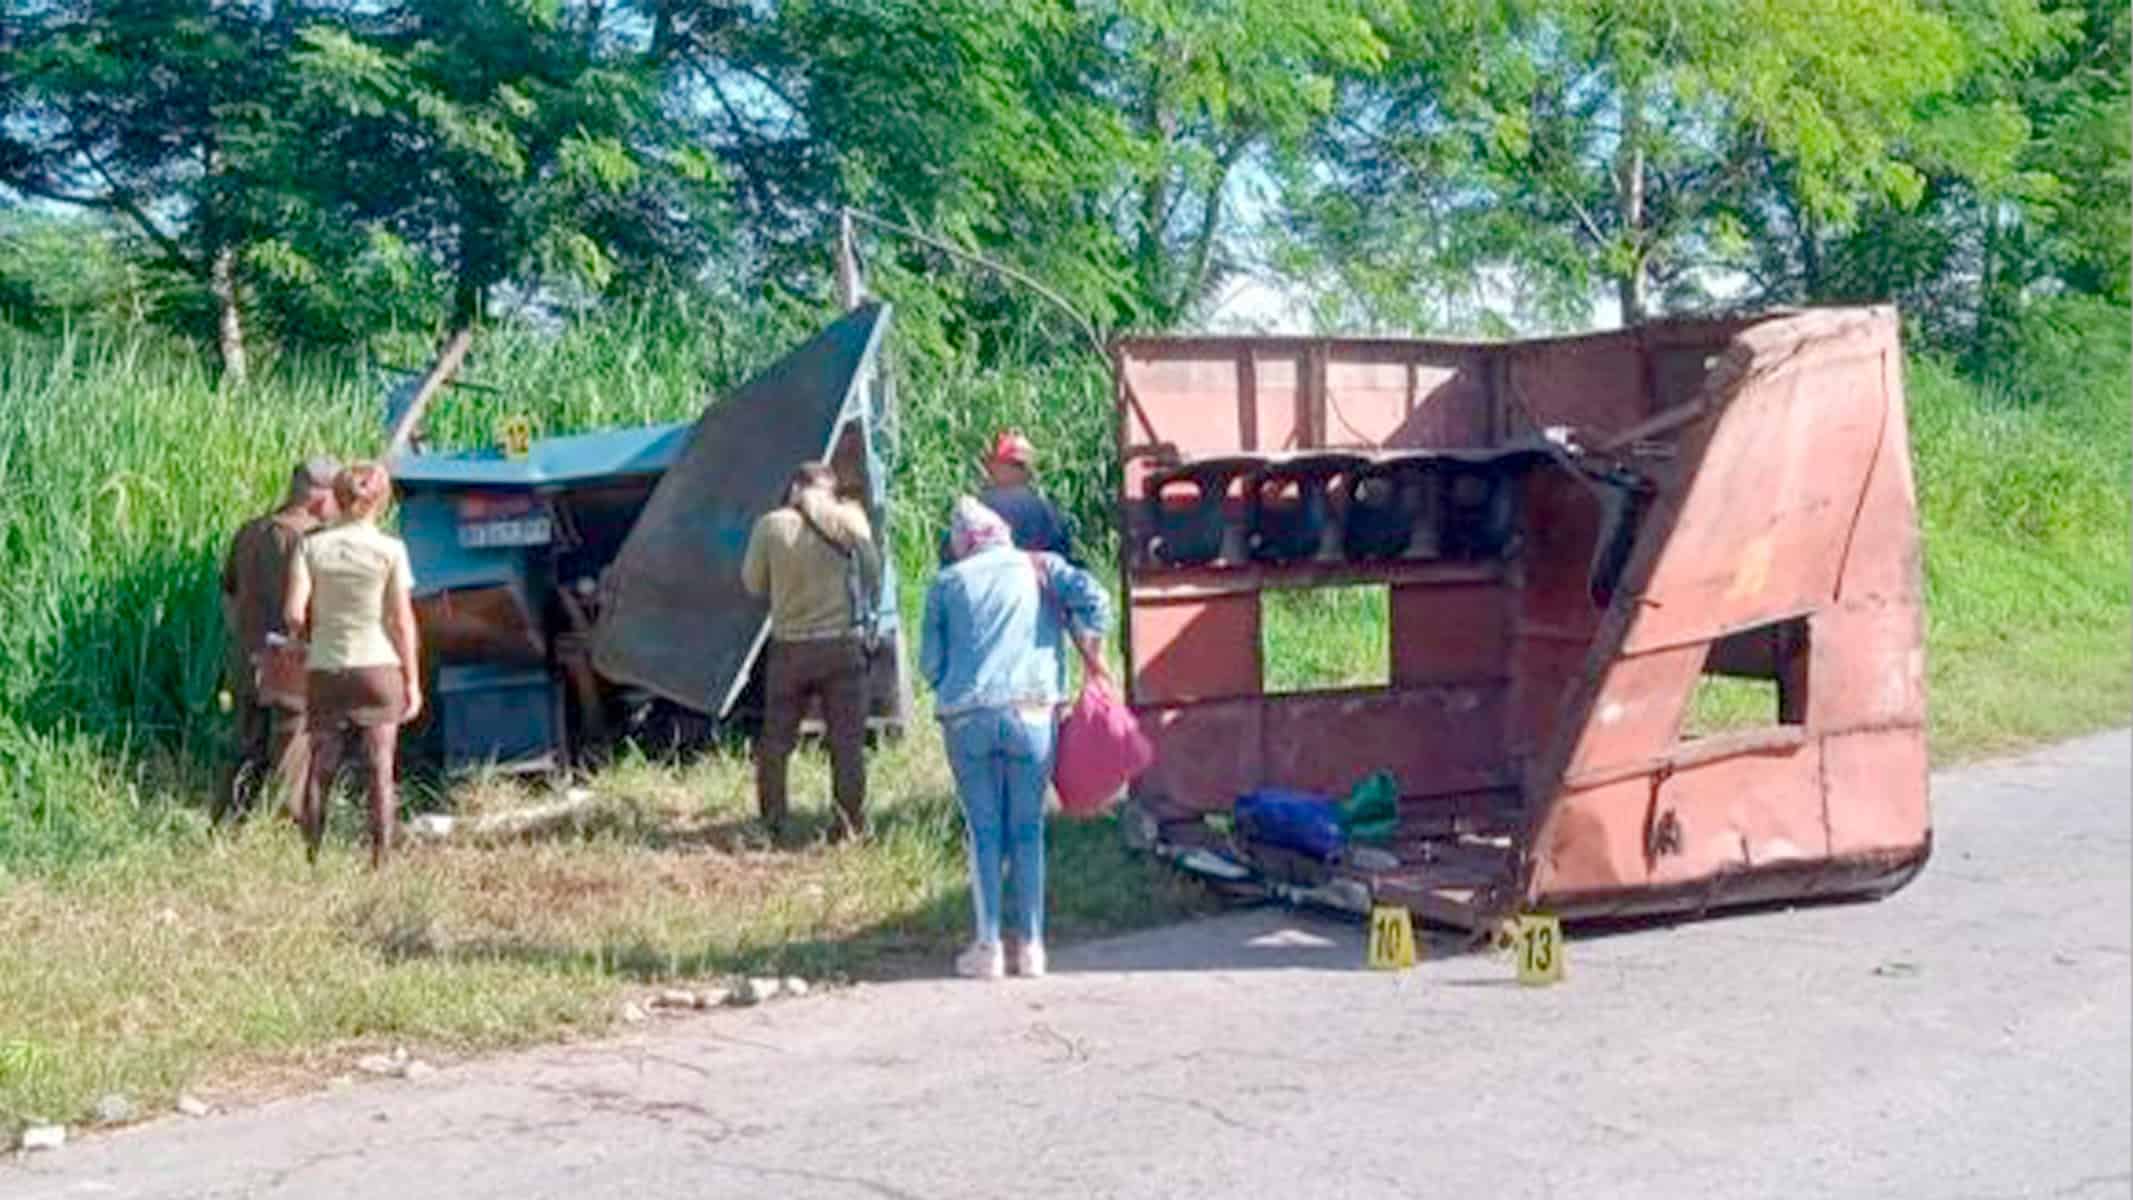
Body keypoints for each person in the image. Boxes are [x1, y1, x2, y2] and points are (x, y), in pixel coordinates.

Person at [921, 496, 1112, 980]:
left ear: (963, 542)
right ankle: (1031, 948)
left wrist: (954, 677)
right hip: (1032, 712)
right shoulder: (1041, 566)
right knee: (1028, 830)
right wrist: (1091, 646)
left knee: (984, 831)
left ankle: (987, 947)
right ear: (1003, 533)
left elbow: (929, 665)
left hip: (967, 718)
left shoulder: (946, 583)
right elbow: (1098, 600)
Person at [283, 462, 422, 869]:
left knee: (321, 765)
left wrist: (308, 639)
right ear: (379, 501)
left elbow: (293, 612)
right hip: (378, 666)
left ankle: (312, 856)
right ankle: (381, 860)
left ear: (336, 499)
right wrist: (412, 681)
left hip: (327, 666)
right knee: (380, 766)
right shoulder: (391, 550)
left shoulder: (310, 547)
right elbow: (401, 620)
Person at [741, 461, 883, 842]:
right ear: (830, 488)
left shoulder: (770, 525)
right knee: (847, 743)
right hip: (841, 645)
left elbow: (753, 585)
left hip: (790, 647)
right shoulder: (850, 518)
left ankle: (772, 822)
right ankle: (849, 825)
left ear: (794, 487)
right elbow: (873, 572)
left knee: (776, 741)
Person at [215, 456, 340, 824]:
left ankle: (226, 823)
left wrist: (243, 638)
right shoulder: (313, 541)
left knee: (243, 749)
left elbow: (228, 595)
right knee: (292, 754)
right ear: (320, 497)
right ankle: (290, 839)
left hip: (246, 657)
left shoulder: (250, 531)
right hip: (291, 660)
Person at [936, 429, 1078, 567]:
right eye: (1019, 465)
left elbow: (948, 557)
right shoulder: (1048, 511)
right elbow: (1063, 558)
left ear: (993, 465)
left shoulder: (973, 511)